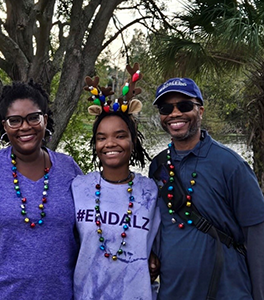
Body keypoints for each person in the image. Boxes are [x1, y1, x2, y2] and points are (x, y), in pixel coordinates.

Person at [0, 80, 83, 300]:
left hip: (58, 294)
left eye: (33, 117)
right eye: (14, 120)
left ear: (45, 119)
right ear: (4, 126)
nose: (25, 127)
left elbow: (92, 225)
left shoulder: (69, 168)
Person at [149, 77, 264, 300]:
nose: (174, 113)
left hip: (227, 291)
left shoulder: (230, 164)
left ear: (200, 111)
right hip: (174, 292)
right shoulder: (158, 166)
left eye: (184, 106)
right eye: (166, 108)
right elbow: (160, 223)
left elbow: (257, 235)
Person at [72, 69, 161, 299]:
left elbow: (164, 241)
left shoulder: (150, 191)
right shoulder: (78, 188)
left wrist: (155, 258)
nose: (110, 143)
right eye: (101, 137)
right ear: (95, 144)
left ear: (133, 141)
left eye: (120, 135)